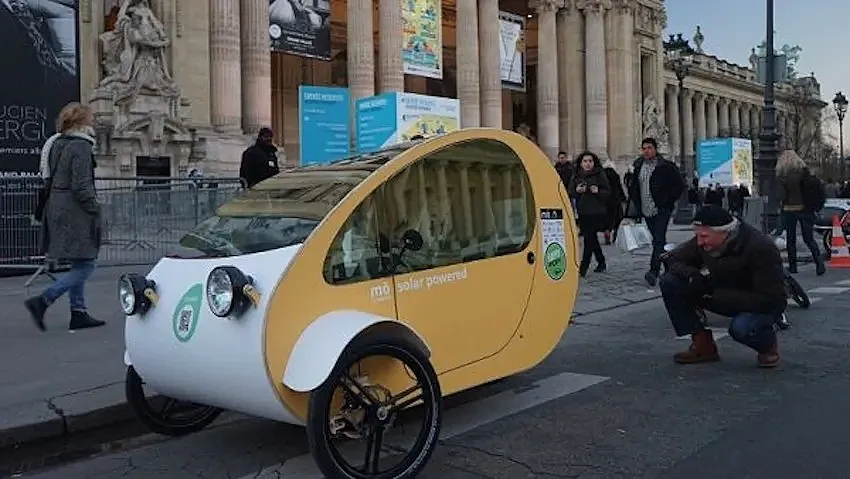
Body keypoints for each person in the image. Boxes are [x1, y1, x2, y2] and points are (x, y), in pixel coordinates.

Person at [660, 205, 786, 368]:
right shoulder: (703, 242)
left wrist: (714, 293)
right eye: (697, 236)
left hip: (755, 302)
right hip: (716, 293)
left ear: (725, 232)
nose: (700, 242)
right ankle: (702, 343)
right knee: (670, 282)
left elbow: (770, 299)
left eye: (704, 236)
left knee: (742, 328)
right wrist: (692, 275)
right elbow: (673, 260)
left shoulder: (760, 247)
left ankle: (767, 346)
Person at [24, 102, 105, 332]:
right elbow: (80, 185)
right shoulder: (81, 146)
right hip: (74, 211)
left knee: (79, 260)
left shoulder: (57, 143)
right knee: (86, 264)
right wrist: (95, 208)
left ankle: (78, 312)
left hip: (58, 207)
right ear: (81, 122)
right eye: (90, 117)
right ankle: (43, 300)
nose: (94, 121)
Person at [626, 137, 684, 286]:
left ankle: (653, 272)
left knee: (658, 240)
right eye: (644, 148)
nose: (646, 151)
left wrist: (668, 201)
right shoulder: (638, 166)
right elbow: (635, 187)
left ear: (655, 149)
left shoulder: (666, 166)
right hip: (646, 210)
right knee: (660, 241)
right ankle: (671, 269)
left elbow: (679, 185)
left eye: (649, 148)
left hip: (661, 209)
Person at [776, 149, 826, 275]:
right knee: (809, 238)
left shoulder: (783, 175)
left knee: (790, 239)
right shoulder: (803, 173)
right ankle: (819, 264)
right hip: (805, 209)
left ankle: (793, 267)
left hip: (789, 209)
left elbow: (781, 195)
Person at [568, 151, 610, 276]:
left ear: (594, 162)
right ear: (581, 163)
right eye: (585, 161)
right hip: (583, 211)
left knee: (588, 238)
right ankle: (601, 261)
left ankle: (583, 266)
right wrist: (577, 190)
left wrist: (597, 190)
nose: (588, 164)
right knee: (591, 237)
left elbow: (607, 192)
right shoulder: (576, 175)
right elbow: (570, 192)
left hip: (596, 211)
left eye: (590, 161)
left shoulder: (599, 174)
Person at [601, 160, 625, 244]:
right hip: (615, 199)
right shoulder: (616, 175)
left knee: (606, 218)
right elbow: (619, 187)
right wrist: (623, 197)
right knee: (617, 218)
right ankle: (615, 234)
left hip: (605, 199)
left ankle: (607, 231)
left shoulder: (602, 175)